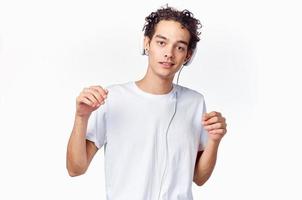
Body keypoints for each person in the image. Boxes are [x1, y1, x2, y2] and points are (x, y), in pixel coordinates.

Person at [66, 5, 227, 200]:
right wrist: (81, 117)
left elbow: (199, 178)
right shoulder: (113, 98)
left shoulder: (195, 103)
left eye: (180, 47)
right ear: (147, 43)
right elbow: (75, 169)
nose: (169, 53)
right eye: (161, 42)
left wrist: (214, 140)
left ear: (188, 56)